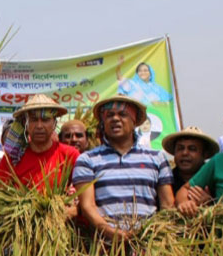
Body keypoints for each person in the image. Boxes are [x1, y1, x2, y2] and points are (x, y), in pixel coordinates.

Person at [73, 95, 174, 242]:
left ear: (134, 121)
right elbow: (87, 205)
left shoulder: (156, 157)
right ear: (103, 122)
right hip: (107, 248)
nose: (115, 119)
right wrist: (108, 230)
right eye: (109, 115)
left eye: (123, 114)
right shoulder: (88, 160)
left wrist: (158, 234)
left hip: (148, 245)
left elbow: (167, 205)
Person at [0, 94, 80, 191]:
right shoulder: (13, 158)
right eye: (34, 120)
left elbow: (80, 193)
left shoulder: (69, 155)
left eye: (45, 120)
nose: (39, 126)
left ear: (54, 123)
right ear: (25, 124)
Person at [160, 126, 219, 194]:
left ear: (204, 154)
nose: (185, 153)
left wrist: (209, 202)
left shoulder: (215, 181)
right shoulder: (165, 182)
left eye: (192, 149)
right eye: (180, 148)